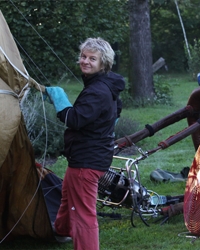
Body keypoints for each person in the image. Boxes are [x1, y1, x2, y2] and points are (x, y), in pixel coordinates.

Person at [45, 37, 125, 250]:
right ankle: (61, 230)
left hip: (88, 160)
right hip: (89, 155)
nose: (85, 61)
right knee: (68, 195)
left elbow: (75, 119)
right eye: (83, 56)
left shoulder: (97, 90)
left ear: (103, 63)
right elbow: (117, 110)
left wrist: (59, 98)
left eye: (92, 58)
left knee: (84, 214)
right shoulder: (105, 84)